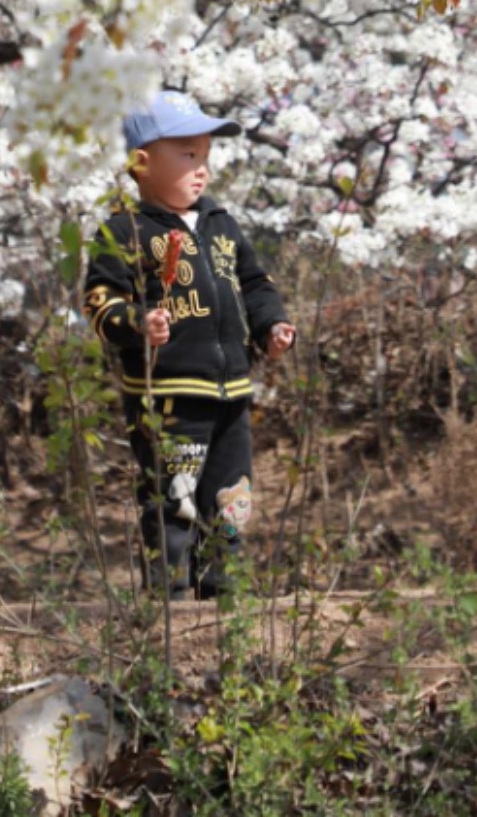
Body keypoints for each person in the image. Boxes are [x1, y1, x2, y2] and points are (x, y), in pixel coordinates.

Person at [84, 87, 295, 598]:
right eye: (187, 156)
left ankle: (223, 593)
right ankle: (170, 599)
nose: (201, 169)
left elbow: (254, 284)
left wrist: (271, 326)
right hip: (169, 394)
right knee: (173, 497)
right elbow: (100, 302)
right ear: (141, 163)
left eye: (204, 156)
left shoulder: (222, 225)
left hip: (231, 391)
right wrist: (138, 323)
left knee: (230, 498)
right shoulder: (125, 231)